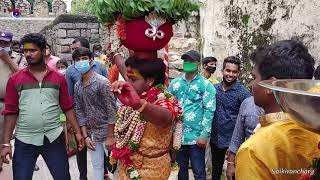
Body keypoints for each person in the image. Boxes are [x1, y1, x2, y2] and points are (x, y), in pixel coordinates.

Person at [0, 33, 84, 180]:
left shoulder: (58, 78)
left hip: (53, 138)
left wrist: (77, 132)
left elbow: (67, 107)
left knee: (63, 176)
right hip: (25, 140)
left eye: (33, 50)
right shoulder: (15, 79)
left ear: (44, 50)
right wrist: (6, 143)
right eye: (25, 51)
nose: (28, 54)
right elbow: (11, 112)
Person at [236, 40, 319, 180]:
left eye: (253, 77)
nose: (251, 84)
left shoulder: (254, 151)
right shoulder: (316, 131)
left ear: (270, 85)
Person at [110, 57, 183, 179]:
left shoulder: (164, 99)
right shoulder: (134, 94)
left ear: (150, 80)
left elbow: (166, 118)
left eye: (132, 79)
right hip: (127, 166)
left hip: (154, 169)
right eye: (127, 78)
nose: (128, 83)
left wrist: (139, 104)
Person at [65, 37, 108, 180]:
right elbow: (71, 99)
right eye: (74, 53)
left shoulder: (100, 68)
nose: (80, 60)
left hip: (104, 123)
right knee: (81, 149)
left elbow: (109, 99)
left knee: (108, 159)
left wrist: (112, 132)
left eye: (77, 49)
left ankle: (106, 174)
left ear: (89, 56)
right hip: (81, 120)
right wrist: (73, 125)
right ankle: (83, 176)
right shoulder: (71, 72)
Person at [169, 50, 216, 180]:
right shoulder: (174, 84)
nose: (187, 63)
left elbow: (209, 110)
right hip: (177, 136)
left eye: (191, 61)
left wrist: (204, 135)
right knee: (180, 171)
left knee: (199, 172)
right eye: (185, 61)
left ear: (198, 64)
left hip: (196, 137)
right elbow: (168, 106)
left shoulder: (206, 85)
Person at [73, 47, 117, 180]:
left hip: (107, 132)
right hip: (92, 134)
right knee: (97, 166)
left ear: (91, 61)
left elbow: (112, 110)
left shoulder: (102, 83)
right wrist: (85, 136)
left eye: (84, 59)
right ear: (74, 63)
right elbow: (79, 111)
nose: (81, 62)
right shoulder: (77, 86)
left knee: (115, 168)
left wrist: (111, 136)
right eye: (78, 60)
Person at [210, 56, 251, 180]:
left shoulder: (243, 94)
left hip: (233, 143)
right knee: (215, 171)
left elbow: (246, 118)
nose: (230, 74)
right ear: (222, 71)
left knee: (233, 174)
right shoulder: (214, 89)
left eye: (234, 72)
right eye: (228, 71)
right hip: (215, 139)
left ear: (238, 73)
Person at [0, 31, 28, 173]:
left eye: (5, 43)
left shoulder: (19, 57)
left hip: (17, 103)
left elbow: (23, 77)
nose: (2, 45)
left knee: (20, 134)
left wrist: (7, 60)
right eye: (0, 42)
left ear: (10, 44)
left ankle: (24, 160)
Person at [225, 96, 264, 180]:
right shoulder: (247, 103)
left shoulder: (287, 105)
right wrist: (230, 162)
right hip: (248, 163)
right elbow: (238, 135)